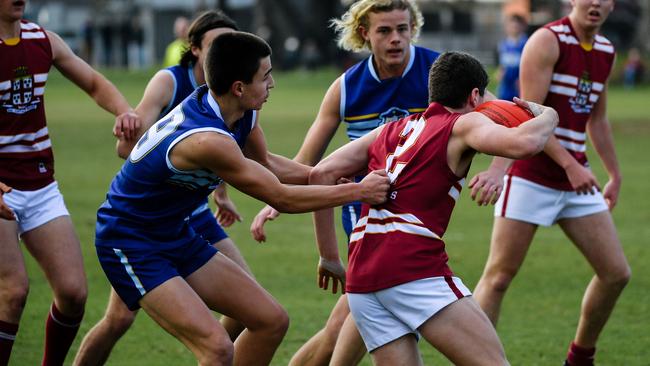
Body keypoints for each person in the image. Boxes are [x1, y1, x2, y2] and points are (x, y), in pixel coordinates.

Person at [93, 31, 390, 365]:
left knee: (270, 320)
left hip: (174, 231)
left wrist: (321, 175)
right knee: (216, 348)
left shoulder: (239, 111)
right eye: (265, 77)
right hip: (129, 238)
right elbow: (282, 198)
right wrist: (358, 190)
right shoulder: (208, 139)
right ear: (239, 87)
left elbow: (268, 164)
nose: (272, 84)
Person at [309, 51, 559, 366]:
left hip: (362, 278)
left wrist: (329, 257)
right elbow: (525, 144)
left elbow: (319, 174)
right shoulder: (464, 124)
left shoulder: (392, 129)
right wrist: (548, 114)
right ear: (474, 96)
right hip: (411, 269)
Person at [249, 1, 439, 364]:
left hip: (419, 216)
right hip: (364, 213)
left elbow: (486, 110)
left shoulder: (435, 72)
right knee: (379, 310)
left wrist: (497, 167)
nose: (396, 39)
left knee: (348, 321)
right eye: (385, 31)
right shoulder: (348, 87)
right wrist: (276, 199)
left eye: (403, 28)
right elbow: (308, 161)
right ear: (365, 33)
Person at [73, 10, 249, 366]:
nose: (225, 50)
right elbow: (128, 149)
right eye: (217, 43)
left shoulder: (234, 92)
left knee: (247, 302)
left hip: (193, 213)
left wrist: (221, 193)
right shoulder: (169, 82)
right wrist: (127, 128)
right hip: (149, 219)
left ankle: (212, 353)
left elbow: (228, 151)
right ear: (196, 48)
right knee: (119, 318)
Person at [471, 1, 631, 365]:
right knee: (498, 277)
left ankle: (579, 358)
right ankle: (476, 359)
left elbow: (598, 120)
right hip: (531, 175)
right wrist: (570, 164)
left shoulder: (605, 50)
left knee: (616, 273)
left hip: (576, 180)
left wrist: (615, 174)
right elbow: (529, 116)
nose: (595, 3)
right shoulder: (546, 41)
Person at [0, 0, 140, 364]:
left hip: (40, 185)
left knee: (74, 293)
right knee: (13, 291)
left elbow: (94, 82)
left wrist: (124, 111)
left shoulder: (43, 40)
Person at [496, 13, 528, 101]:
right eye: (511, 26)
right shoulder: (503, 44)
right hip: (505, 87)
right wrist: (500, 73)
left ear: (522, 27)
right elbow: (503, 64)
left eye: (516, 26)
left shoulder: (527, 44)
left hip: (519, 86)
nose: (514, 28)